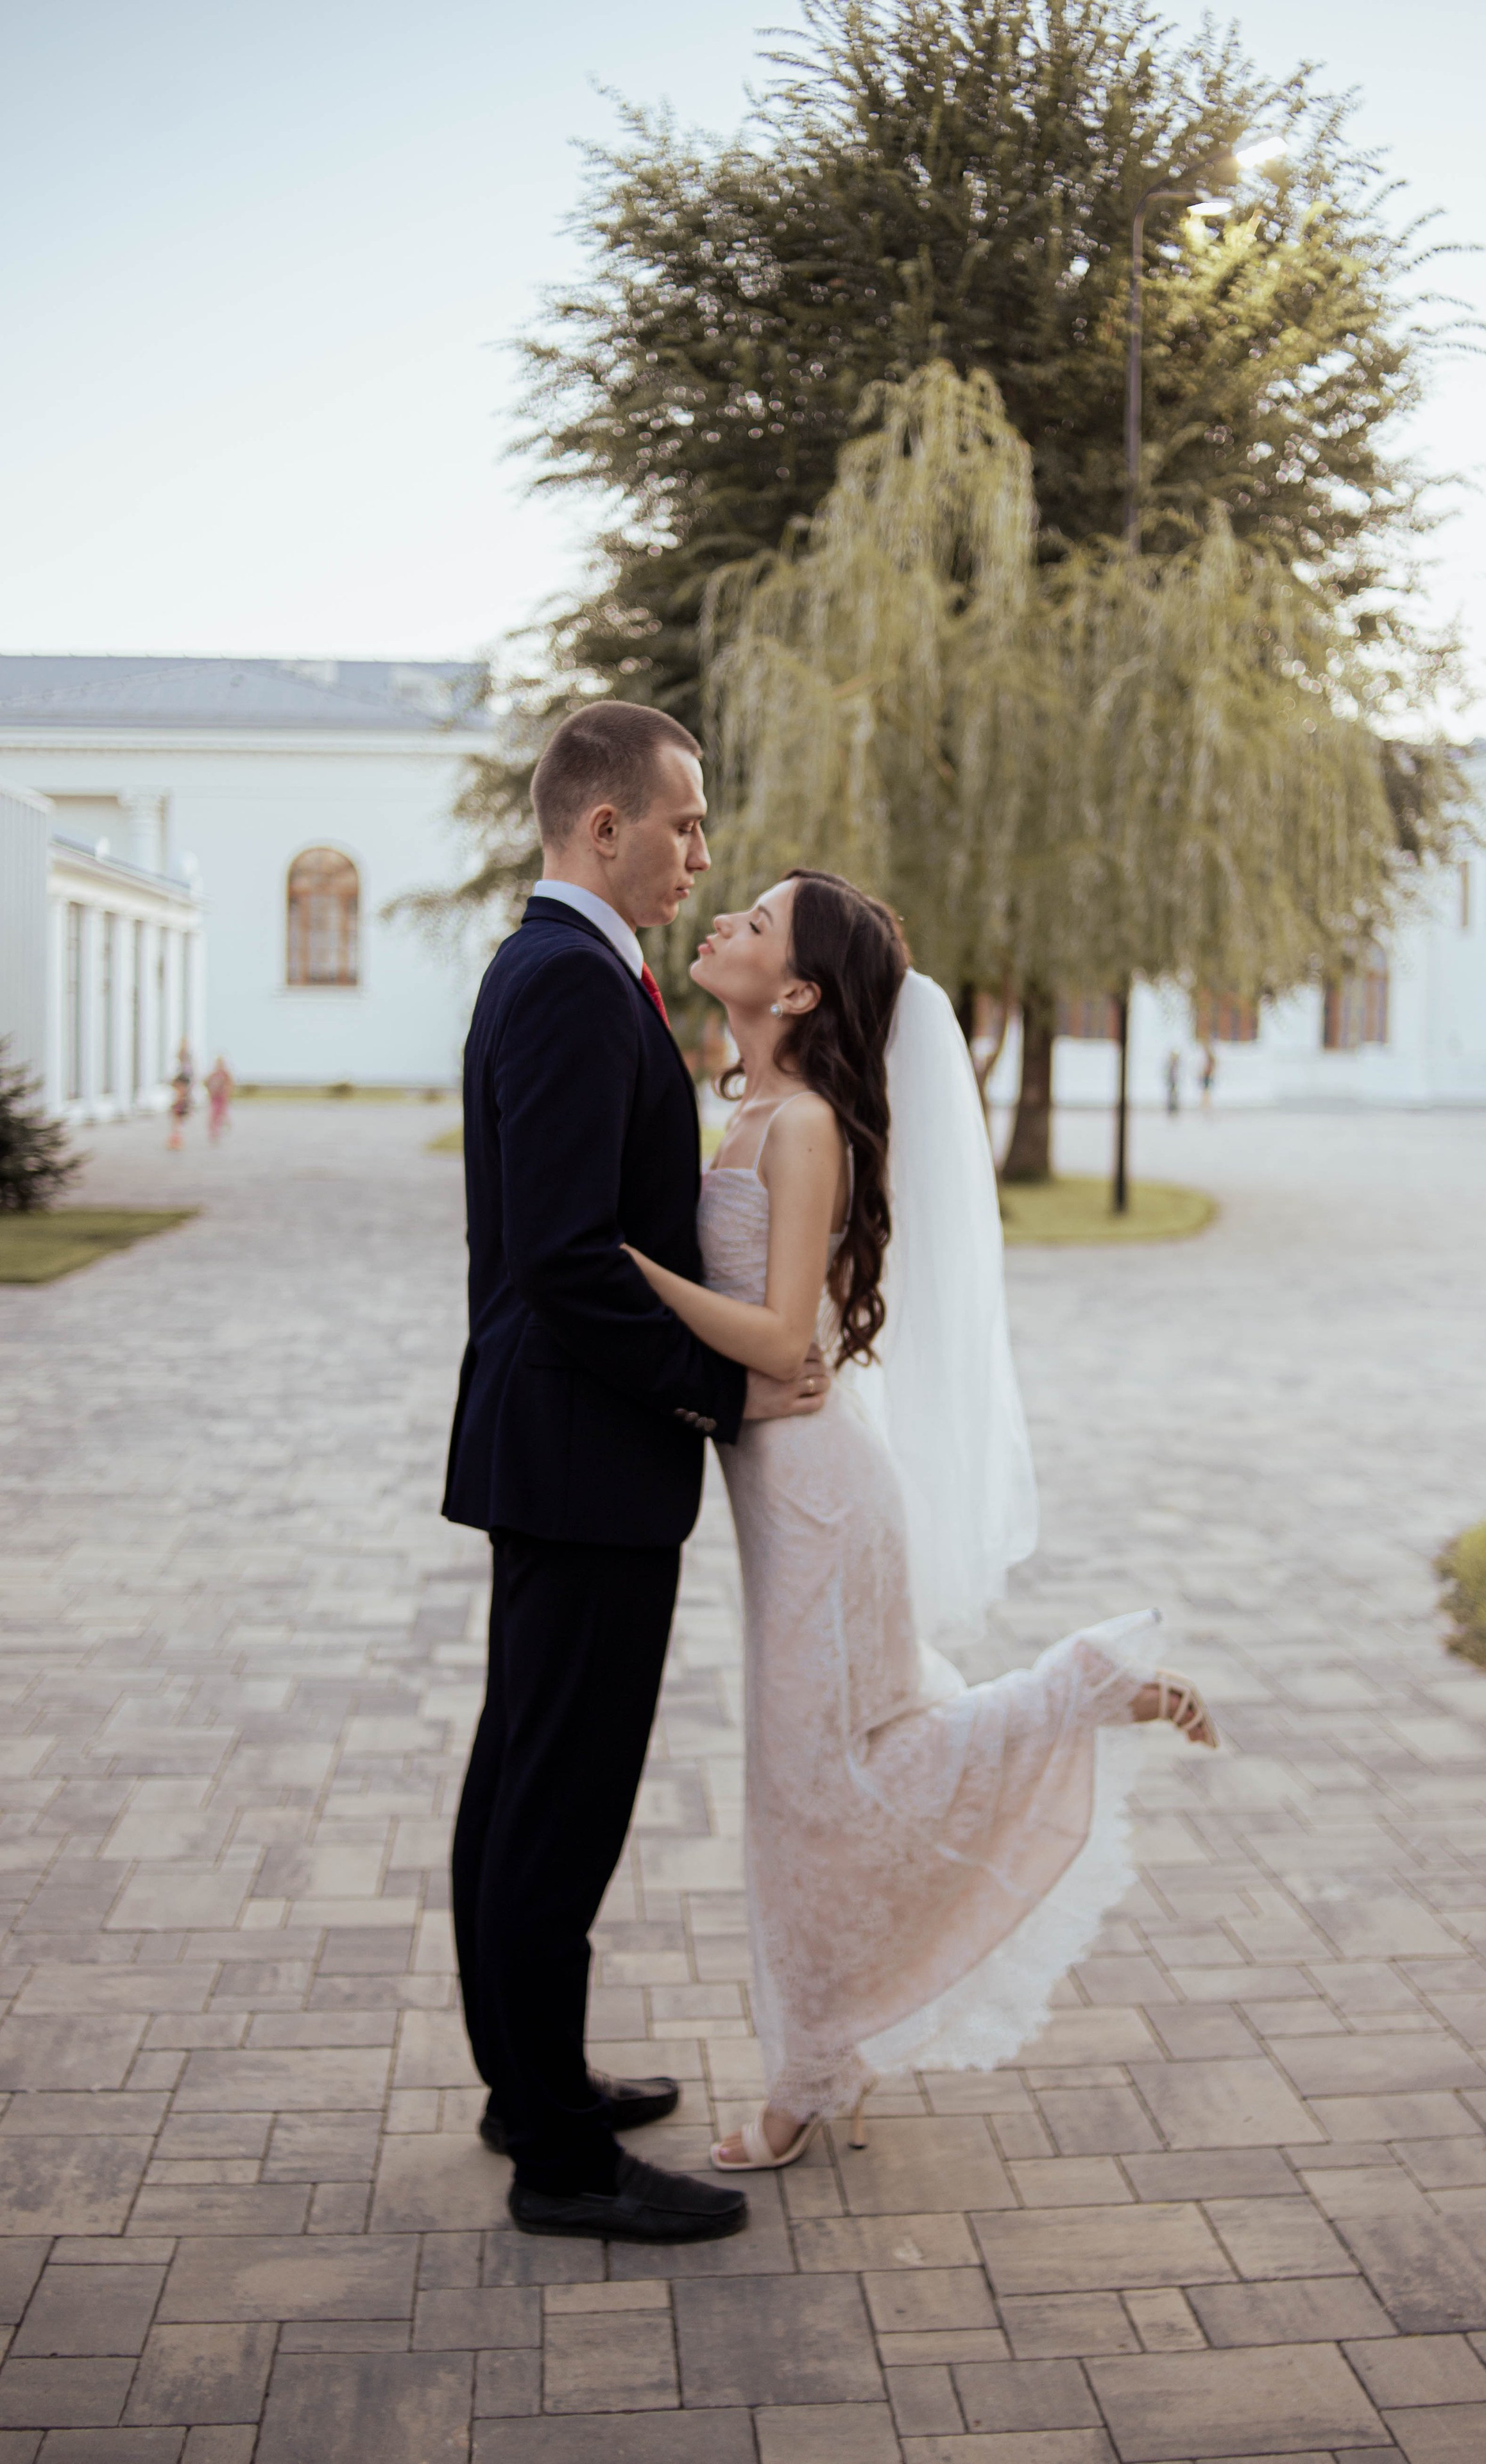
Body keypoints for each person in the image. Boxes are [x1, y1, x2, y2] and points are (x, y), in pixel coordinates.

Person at [624, 871, 1218, 2173]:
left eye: (758, 923)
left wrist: (626, 1268)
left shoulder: (804, 1127)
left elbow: (781, 1338)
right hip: (792, 1497)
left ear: (794, 992)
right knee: (821, 1781)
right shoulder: (755, 1104)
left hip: (822, 1505)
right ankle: (827, 2053)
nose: (722, 918)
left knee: (818, 1789)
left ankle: (805, 2074)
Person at [442, 702, 830, 2247]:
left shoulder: (574, 971)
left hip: (563, 1449)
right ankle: (558, 2158)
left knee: (527, 1776)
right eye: (684, 823)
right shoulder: (559, 980)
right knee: (557, 1797)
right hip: (580, 1450)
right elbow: (560, 1258)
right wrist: (716, 1388)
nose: (702, 851)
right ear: (603, 828)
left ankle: (528, 2079)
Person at [166, 1042, 194, 1150]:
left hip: (181, 1105)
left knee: (177, 1125)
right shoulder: (183, 1069)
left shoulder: (185, 1070)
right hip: (180, 1104)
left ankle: (176, 1141)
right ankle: (175, 1141)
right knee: (177, 1125)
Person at [205, 1056, 234, 1143]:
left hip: (222, 1098)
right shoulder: (214, 1074)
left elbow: (230, 1083)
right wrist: (210, 1091)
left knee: (222, 1113)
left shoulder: (225, 1074)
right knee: (214, 1114)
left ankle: (224, 1123)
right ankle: (214, 1131)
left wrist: (227, 1092)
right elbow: (207, 1082)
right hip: (215, 1098)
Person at [1199, 1042, 1217, 1110]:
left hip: (1208, 1076)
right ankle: (1206, 1103)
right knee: (1206, 1090)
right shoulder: (1209, 1059)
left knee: (1206, 1090)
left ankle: (1206, 1103)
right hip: (1207, 1075)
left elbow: (1212, 1067)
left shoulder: (1211, 1059)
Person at [1165, 1048, 1181, 1115]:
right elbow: (1167, 1073)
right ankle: (1171, 1110)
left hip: (1176, 1082)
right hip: (1171, 1082)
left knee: (1175, 1095)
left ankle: (1175, 1109)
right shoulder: (1169, 1064)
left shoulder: (1178, 1065)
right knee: (1171, 1095)